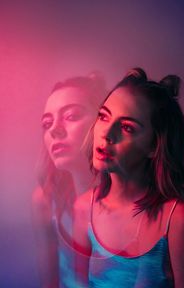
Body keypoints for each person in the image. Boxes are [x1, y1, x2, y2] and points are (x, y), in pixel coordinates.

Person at [74, 68, 184, 287]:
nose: (106, 134)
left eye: (127, 127)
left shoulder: (180, 218)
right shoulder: (83, 209)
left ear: (155, 146)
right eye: (103, 116)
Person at [32, 73, 106, 287]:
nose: (54, 129)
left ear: (103, 122)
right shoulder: (45, 201)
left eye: (72, 116)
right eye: (47, 123)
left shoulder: (143, 206)